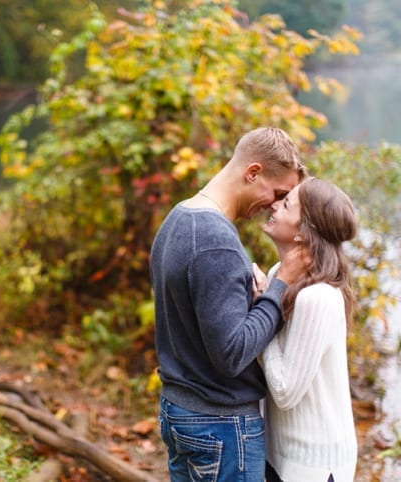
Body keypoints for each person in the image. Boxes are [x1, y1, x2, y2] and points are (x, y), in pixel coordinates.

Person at [150, 127, 310, 482]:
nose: (274, 205)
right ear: (252, 172)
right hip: (220, 425)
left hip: (181, 411)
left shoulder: (177, 218)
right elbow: (232, 354)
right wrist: (280, 287)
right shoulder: (216, 240)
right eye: (278, 192)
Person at [260, 177, 358, 482]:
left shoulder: (318, 298)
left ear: (303, 234)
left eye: (286, 203)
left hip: (315, 466)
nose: (274, 204)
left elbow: (285, 391)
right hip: (279, 454)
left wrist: (261, 306)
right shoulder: (279, 274)